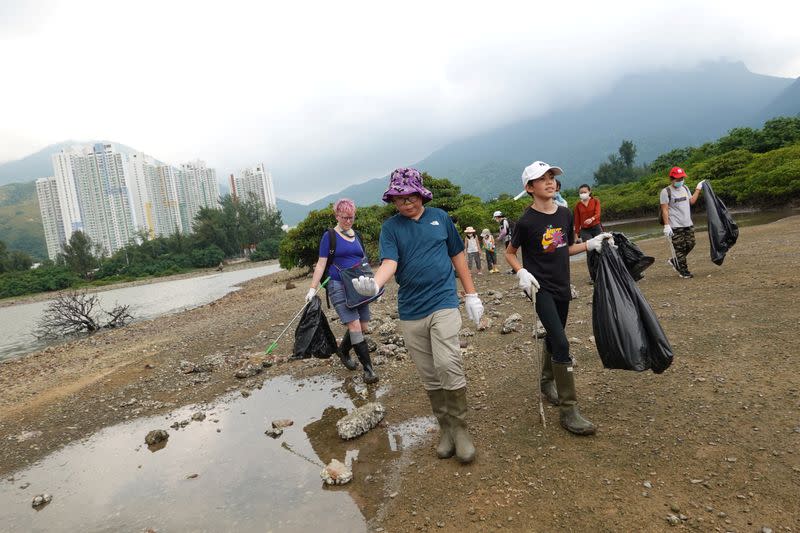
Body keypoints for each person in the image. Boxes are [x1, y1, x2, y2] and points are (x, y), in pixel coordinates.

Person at [351, 167, 484, 463]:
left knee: (448, 362)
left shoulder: (441, 218)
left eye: (410, 196)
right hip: (411, 310)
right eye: (399, 198)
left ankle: (461, 430)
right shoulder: (391, 228)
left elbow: (457, 255)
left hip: (444, 302)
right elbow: (389, 262)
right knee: (429, 374)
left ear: (420, 193)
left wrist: (471, 293)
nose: (405, 203)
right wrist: (375, 283)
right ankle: (446, 428)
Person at [505, 160, 613, 436]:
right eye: (542, 179)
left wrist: (590, 244)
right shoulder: (526, 221)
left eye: (552, 177)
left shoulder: (564, 214)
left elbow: (563, 247)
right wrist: (522, 272)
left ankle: (546, 380)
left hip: (563, 285)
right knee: (562, 343)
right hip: (540, 289)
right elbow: (509, 252)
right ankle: (569, 410)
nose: (550, 182)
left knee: (556, 336)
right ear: (530, 188)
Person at [306, 198, 378, 383]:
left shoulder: (357, 236)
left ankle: (343, 350)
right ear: (337, 216)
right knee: (354, 326)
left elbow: (363, 260)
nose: (348, 221)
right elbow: (321, 264)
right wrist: (312, 288)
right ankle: (369, 370)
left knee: (363, 327)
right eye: (344, 217)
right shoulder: (329, 236)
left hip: (358, 285)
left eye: (351, 218)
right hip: (337, 284)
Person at [660, 167, 704, 279]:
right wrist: (666, 225)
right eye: (678, 179)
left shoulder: (685, 188)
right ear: (672, 179)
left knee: (691, 243)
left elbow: (692, 201)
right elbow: (664, 209)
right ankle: (684, 271)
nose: (680, 181)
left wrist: (698, 189)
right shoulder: (666, 192)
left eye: (682, 178)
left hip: (688, 223)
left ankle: (675, 261)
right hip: (675, 225)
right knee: (679, 248)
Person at [573, 184, 603, 281]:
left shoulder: (595, 201)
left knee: (601, 249)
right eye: (581, 193)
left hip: (596, 227)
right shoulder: (578, 205)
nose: (583, 194)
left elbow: (598, 213)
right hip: (585, 231)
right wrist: (576, 234)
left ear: (589, 192)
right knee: (590, 252)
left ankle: (604, 273)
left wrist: (592, 219)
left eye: (584, 192)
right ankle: (593, 277)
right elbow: (577, 221)